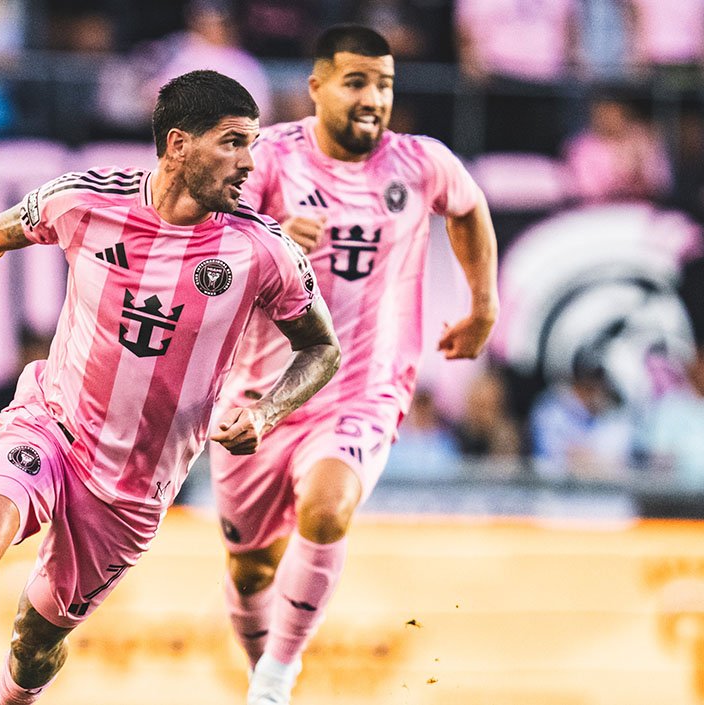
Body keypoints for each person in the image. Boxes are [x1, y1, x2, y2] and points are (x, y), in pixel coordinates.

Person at [0, 69, 340, 705]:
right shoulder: (85, 201)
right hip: (52, 428)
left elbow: (322, 347)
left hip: (135, 486)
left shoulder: (263, 250)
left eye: (252, 144)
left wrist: (266, 412)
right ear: (178, 144)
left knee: (35, 641)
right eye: (232, 142)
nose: (248, 163)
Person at [208, 25, 498, 705]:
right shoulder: (268, 158)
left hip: (362, 388)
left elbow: (468, 207)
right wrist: (271, 237)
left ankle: (276, 680)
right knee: (252, 569)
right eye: (357, 82)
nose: (374, 98)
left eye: (385, 84)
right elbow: (206, 254)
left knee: (328, 507)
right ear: (317, 88)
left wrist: (484, 304)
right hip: (258, 394)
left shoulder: (419, 163)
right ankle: (261, 674)